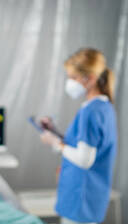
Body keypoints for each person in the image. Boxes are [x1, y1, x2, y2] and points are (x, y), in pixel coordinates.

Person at [39, 48, 117, 224]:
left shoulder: (90, 111)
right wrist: (55, 132)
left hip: (80, 199)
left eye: (73, 78)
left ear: (90, 78)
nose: (70, 82)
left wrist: (56, 143)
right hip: (90, 197)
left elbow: (84, 159)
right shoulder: (104, 107)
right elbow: (83, 144)